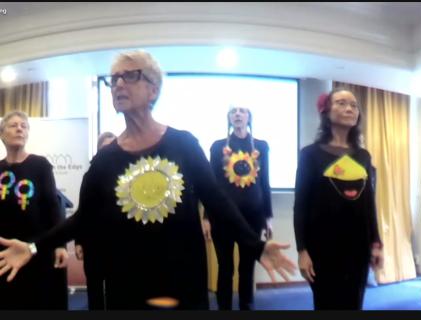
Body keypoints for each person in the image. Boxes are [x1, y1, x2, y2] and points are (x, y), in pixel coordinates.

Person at [0, 50, 295, 310]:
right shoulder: (104, 161)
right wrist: (33, 247)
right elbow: (83, 219)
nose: (117, 84)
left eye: (130, 76)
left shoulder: (183, 144)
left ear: (153, 90)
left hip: (183, 283)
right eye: (114, 78)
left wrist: (254, 246)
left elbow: (216, 200)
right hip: (128, 285)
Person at [293, 88, 383, 310]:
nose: (349, 108)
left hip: (358, 245)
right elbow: (301, 205)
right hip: (322, 246)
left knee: (354, 303)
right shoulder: (309, 154)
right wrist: (302, 250)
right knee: (326, 303)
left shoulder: (363, 156)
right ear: (326, 112)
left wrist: (376, 243)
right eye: (341, 103)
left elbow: (369, 203)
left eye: (354, 105)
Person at [204, 106, 273, 310]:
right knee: (225, 267)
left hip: (254, 217)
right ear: (229, 118)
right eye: (233, 111)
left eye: (242, 111)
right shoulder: (218, 147)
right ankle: (224, 307)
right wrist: (206, 216)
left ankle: (246, 306)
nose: (237, 114)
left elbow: (265, 181)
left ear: (249, 117)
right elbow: (211, 183)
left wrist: (268, 217)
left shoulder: (260, 146)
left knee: (247, 266)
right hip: (222, 218)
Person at [0, 110, 69, 310]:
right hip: (5, 252)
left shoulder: (40, 165)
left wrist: (60, 245)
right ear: (2, 134)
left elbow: (52, 206)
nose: (20, 128)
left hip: (36, 249)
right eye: (13, 125)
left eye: (24, 125)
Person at [73, 131, 116, 310]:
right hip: (94, 244)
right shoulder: (89, 176)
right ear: (98, 151)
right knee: (95, 291)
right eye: (104, 148)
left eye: (112, 147)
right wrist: (78, 241)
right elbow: (82, 211)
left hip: (119, 244)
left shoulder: (129, 176)